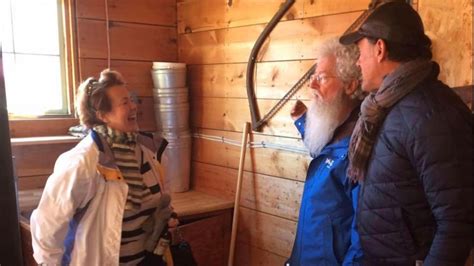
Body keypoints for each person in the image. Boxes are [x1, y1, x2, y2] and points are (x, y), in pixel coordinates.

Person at [339, 1, 473, 265]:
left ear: (380, 49)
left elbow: (458, 220)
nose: (358, 61)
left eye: (360, 51)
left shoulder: (432, 115)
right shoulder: (385, 106)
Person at [30, 69, 175, 265]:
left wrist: (163, 218)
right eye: (125, 102)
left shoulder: (151, 151)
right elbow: (47, 228)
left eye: (131, 99)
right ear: (103, 115)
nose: (134, 106)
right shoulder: (82, 162)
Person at [286, 38, 365, 265]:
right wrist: (303, 122)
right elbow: (325, 154)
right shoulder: (337, 127)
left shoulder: (361, 146)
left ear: (350, 85)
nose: (312, 86)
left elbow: (364, 241)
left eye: (321, 78)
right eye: (313, 77)